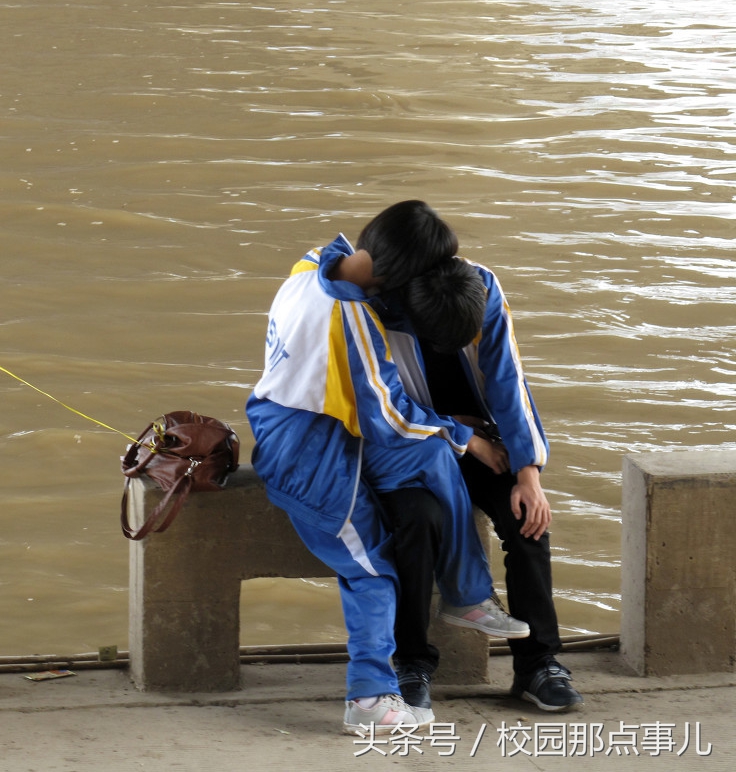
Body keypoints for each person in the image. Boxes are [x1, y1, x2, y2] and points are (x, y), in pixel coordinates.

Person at [246, 201, 528, 736]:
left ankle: (467, 595)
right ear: (395, 276)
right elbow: (392, 417)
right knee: (371, 567)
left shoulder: (315, 262)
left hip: (315, 420)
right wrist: (466, 435)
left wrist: (452, 440)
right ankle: (369, 698)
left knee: (433, 453)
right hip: (308, 452)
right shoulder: (349, 320)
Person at [375, 254, 585, 714]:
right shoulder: (376, 307)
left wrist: (528, 473)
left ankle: (538, 663)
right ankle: (410, 663)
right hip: (413, 444)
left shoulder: (482, 288)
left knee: (527, 519)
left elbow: (509, 381)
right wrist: (461, 434)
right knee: (418, 523)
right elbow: (382, 404)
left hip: (486, 440)